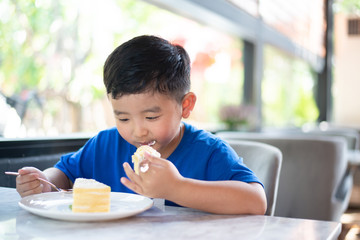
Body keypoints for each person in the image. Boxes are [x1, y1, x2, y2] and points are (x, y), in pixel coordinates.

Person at [15, 35, 266, 215]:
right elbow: (65, 175)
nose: (137, 131)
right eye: (123, 118)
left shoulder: (209, 151)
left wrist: (176, 188)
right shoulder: (105, 145)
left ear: (186, 106)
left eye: (151, 117)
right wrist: (43, 182)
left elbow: (256, 201)